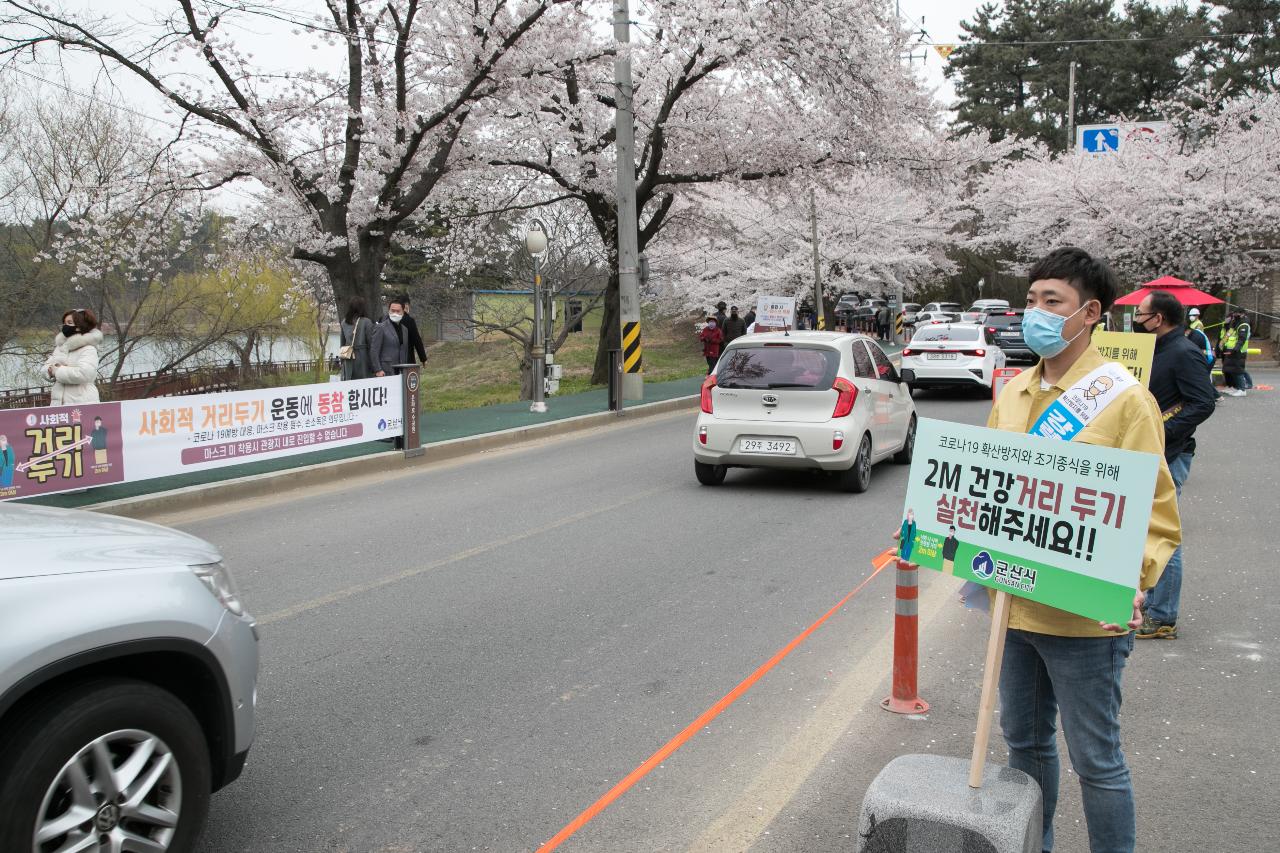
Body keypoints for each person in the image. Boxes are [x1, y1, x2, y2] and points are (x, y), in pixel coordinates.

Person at [984, 247, 1179, 853]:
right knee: (1025, 747)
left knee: (1097, 760)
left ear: (1089, 312)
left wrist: (1136, 579)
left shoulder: (1124, 400)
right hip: (1012, 607)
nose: (1034, 313)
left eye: (1052, 302)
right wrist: (935, 527)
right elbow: (986, 488)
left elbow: (1155, 511)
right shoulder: (1013, 393)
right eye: (1031, 300)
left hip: (1087, 619)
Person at [1132, 290, 1216, 640]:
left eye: (1140, 314)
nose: (1136, 319)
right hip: (1144, 454)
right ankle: (1148, 605)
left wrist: (1162, 433)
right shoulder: (1151, 352)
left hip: (1170, 455)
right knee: (1140, 533)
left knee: (1162, 534)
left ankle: (1163, 615)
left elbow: (1203, 402)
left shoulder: (1183, 353)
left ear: (1158, 319)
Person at [44, 308, 102, 406]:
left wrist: (57, 371)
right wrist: (49, 371)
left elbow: (85, 374)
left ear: (80, 325)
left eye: (69, 323)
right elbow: (46, 367)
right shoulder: (61, 347)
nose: (65, 326)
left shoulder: (88, 349)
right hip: (59, 404)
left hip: (83, 402)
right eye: (64, 323)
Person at [370, 298, 410, 378]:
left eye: (398, 311)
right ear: (389, 311)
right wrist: (378, 370)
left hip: (401, 370)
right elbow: (374, 350)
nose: (395, 313)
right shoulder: (381, 327)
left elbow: (404, 350)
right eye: (392, 310)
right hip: (385, 371)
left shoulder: (404, 329)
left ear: (403, 312)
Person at [340, 296, 376, 381]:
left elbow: (342, 343)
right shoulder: (367, 322)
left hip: (348, 357)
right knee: (364, 383)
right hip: (363, 357)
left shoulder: (344, 322)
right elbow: (371, 344)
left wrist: (342, 362)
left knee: (350, 382)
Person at [1218, 312, 1249, 396]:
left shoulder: (1243, 324)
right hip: (1230, 349)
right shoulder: (1235, 324)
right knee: (1230, 369)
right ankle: (1235, 387)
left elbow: (1241, 339)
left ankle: (1242, 389)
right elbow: (1227, 336)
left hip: (1238, 351)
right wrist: (1221, 345)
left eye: (1237, 313)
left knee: (1237, 370)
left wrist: (1236, 348)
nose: (1235, 316)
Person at [400, 295, 429, 365]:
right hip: (407, 358)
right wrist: (423, 358)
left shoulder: (386, 319)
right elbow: (417, 340)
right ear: (406, 306)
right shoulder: (409, 320)